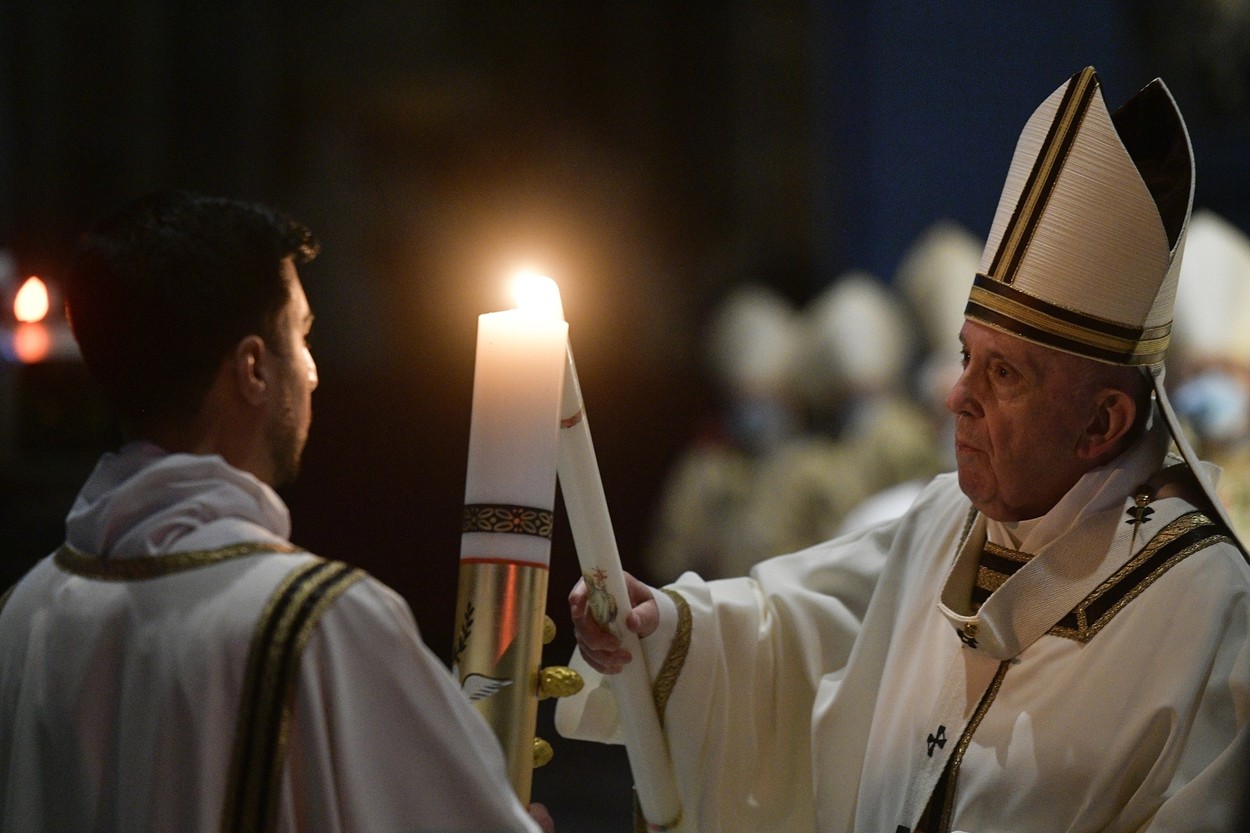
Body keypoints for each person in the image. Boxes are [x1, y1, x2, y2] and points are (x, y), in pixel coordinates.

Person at [558, 68, 1250, 832]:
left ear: (1103, 422)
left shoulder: (1211, 612)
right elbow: (799, 630)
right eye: (965, 357)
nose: (957, 396)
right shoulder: (946, 519)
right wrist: (668, 626)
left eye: (1005, 373)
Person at [0, 191, 553, 833]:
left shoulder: (22, 613)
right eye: (302, 334)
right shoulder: (321, 623)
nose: (313, 374)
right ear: (255, 368)